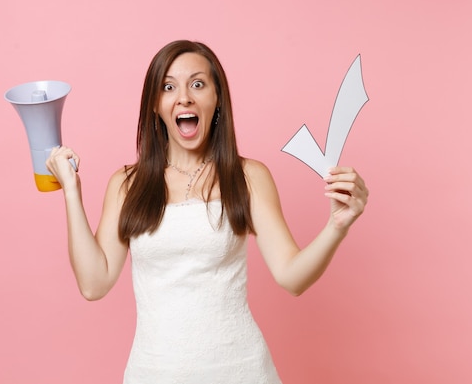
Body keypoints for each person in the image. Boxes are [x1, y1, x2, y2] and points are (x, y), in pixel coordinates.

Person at [45, 40, 369, 383]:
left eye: (197, 84)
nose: (184, 96)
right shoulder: (127, 185)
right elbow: (94, 285)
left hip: (241, 371)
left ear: (217, 100)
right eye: (168, 87)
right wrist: (71, 192)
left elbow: (291, 277)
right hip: (153, 372)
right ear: (155, 105)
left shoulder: (248, 177)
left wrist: (338, 225)